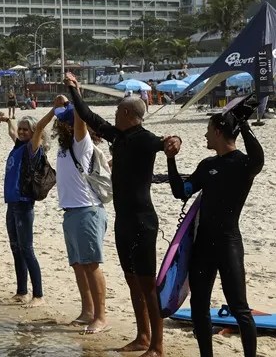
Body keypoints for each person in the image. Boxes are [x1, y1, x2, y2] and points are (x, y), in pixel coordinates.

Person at [66, 72, 182, 353]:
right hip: (124, 221)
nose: (114, 115)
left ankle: (157, 344)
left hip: (143, 220)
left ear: (128, 112)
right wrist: (74, 90)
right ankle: (142, 337)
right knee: (132, 281)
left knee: (147, 284)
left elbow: (167, 141)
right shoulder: (118, 137)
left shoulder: (145, 139)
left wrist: (175, 140)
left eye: (118, 110)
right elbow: (89, 116)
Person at [167, 109, 263, 357]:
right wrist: (171, 159)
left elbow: (258, 157)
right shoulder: (207, 165)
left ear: (218, 132)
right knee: (199, 305)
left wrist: (243, 124)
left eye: (209, 130)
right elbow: (181, 191)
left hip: (228, 243)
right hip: (203, 245)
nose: (205, 134)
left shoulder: (243, 165)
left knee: (239, 308)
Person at [45, 95, 110, 335]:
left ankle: (101, 317)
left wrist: (74, 94)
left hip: (87, 211)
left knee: (91, 265)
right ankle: (87, 311)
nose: (60, 124)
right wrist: (59, 106)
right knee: (78, 265)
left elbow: (81, 118)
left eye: (65, 121)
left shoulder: (81, 143)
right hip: (71, 212)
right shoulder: (64, 147)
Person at [0, 111, 46, 307]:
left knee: (27, 249)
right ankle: (22, 291)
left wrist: (54, 111)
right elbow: (13, 132)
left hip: (23, 204)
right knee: (16, 248)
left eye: (26, 130)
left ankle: (38, 295)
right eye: (21, 129)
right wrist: (8, 121)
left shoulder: (32, 149)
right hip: (12, 204)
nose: (21, 132)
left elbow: (39, 128)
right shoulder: (18, 145)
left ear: (32, 133)